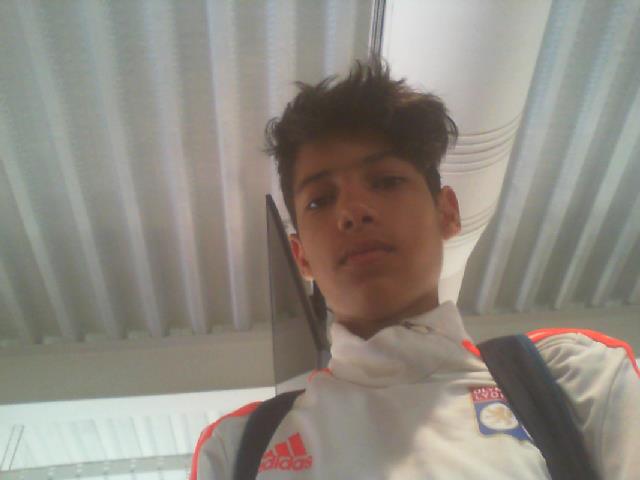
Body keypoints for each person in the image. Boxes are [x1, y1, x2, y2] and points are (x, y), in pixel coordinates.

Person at [190, 58, 640, 479]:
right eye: (320, 200)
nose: (353, 211)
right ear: (301, 255)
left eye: (386, 181)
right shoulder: (237, 451)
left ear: (447, 212)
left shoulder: (575, 380)